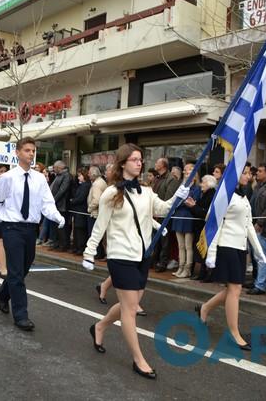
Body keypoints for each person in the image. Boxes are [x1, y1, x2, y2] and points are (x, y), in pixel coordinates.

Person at [83, 143, 189, 379]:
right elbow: (100, 226)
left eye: (141, 159)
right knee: (130, 310)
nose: (139, 163)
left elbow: (160, 208)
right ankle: (139, 360)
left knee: (127, 304)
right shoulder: (111, 193)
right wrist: (89, 252)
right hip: (121, 257)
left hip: (143, 256)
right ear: (123, 164)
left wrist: (177, 197)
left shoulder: (146, 190)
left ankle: (99, 326)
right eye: (134, 159)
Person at [0, 137, 65, 331]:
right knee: (16, 272)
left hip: (30, 229)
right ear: (17, 153)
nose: (31, 154)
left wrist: (57, 217)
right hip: (11, 228)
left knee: (24, 268)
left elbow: (47, 203)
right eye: (27, 150)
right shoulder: (7, 178)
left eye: (33, 151)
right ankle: (21, 315)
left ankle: (2, 293)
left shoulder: (40, 179)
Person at [197, 163, 266, 350]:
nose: (249, 175)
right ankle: (234, 333)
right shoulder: (223, 195)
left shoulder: (244, 198)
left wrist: (259, 251)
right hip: (225, 246)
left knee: (232, 290)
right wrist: (211, 254)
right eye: (245, 172)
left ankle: (205, 308)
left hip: (239, 248)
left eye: (249, 172)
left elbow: (249, 225)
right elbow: (213, 224)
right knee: (235, 290)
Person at [247, 163, 266, 295]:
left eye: (260, 171)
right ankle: (257, 281)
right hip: (253, 225)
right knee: (256, 256)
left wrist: (260, 223)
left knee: (262, 256)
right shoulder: (258, 187)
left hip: (263, 228)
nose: (257, 173)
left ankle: (261, 285)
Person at [151, 157, 181, 272]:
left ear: (163, 165)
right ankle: (154, 261)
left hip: (164, 214)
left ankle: (163, 263)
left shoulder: (171, 179)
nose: (155, 164)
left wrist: (160, 209)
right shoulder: (157, 178)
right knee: (156, 239)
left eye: (157, 162)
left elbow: (168, 197)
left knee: (164, 240)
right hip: (155, 213)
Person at [171, 163, 200, 278]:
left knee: (188, 246)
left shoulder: (196, 188)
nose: (187, 174)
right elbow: (175, 200)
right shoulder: (182, 186)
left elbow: (191, 201)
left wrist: (183, 202)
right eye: (186, 172)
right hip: (179, 216)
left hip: (188, 217)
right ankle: (181, 266)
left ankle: (188, 269)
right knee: (180, 246)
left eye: (189, 172)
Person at [187, 174, 217, 280]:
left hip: (206, 227)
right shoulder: (204, 194)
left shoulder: (211, 195)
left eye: (203, 182)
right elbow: (198, 209)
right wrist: (192, 206)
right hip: (200, 227)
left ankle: (207, 274)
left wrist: (193, 206)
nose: (201, 185)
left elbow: (205, 213)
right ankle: (202, 273)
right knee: (201, 251)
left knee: (206, 251)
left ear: (209, 184)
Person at [49, 160, 73, 251]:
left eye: (55, 167)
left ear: (59, 168)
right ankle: (57, 243)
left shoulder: (67, 176)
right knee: (56, 226)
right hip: (56, 205)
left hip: (62, 205)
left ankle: (63, 245)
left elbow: (62, 190)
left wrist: (54, 200)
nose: (53, 169)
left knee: (62, 227)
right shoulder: (58, 175)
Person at [87, 166, 108, 259]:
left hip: (95, 214)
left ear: (93, 174)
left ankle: (98, 253)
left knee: (94, 234)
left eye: (89, 173)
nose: (88, 175)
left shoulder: (96, 184)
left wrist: (89, 208)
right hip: (100, 213)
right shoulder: (101, 182)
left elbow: (96, 200)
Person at [70, 167, 91, 255]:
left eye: (80, 176)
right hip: (78, 210)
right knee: (77, 229)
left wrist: (73, 201)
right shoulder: (82, 185)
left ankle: (81, 247)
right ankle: (77, 247)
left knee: (80, 230)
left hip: (81, 211)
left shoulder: (85, 185)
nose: (78, 178)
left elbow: (81, 198)